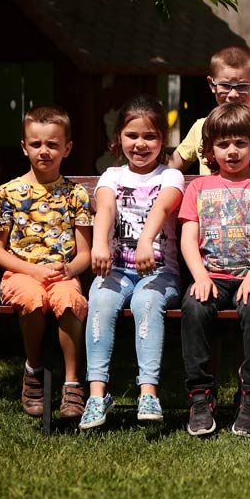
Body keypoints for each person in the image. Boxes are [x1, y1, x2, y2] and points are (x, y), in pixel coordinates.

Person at [178, 103, 250, 438]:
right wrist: (199, 277)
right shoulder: (198, 188)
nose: (232, 151)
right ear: (210, 150)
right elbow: (188, 238)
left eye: (241, 143)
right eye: (223, 144)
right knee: (194, 307)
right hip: (210, 276)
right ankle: (200, 396)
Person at [80, 96, 185, 430]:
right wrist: (99, 243)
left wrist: (145, 241)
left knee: (146, 302)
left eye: (150, 136)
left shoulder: (171, 177)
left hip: (160, 273)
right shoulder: (111, 176)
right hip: (117, 271)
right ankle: (97, 395)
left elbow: (163, 208)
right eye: (132, 135)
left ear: (163, 140)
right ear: (119, 138)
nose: (141, 144)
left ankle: (148, 392)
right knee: (100, 301)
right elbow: (106, 208)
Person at [0, 105, 93, 420]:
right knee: (32, 299)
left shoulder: (75, 195)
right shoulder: (7, 193)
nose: (44, 151)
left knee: (70, 301)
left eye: (52, 144)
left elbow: (85, 253)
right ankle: (33, 369)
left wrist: (69, 269)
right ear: (24, 147)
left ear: (67, 148)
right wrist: (32, 270)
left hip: (62, 273)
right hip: (21, 272)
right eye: (36, 144)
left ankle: (72, 383)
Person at [169, 45, 250, 175]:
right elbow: (171, 168)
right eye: (225, 85)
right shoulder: (201, 126)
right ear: (212, 84)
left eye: (242, 86)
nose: (233, 94)